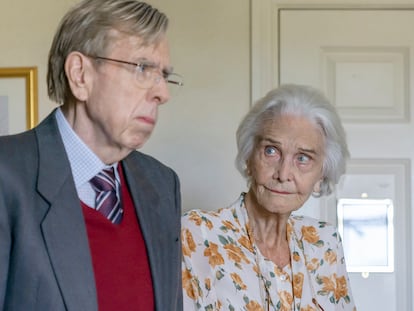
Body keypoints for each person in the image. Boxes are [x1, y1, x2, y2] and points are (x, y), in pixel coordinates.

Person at [0, 0, 183, 310]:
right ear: (80, 74)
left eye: (165, 75)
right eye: (142, 68)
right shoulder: (7, 175)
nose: (163, 93)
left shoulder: (164, 185)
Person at [182, 84, 356, 311]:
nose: (283, 174)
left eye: (303, 158)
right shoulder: (197, 233)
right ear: (248, 157)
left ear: (321, 175)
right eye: (271, 151)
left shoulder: (325, 243)